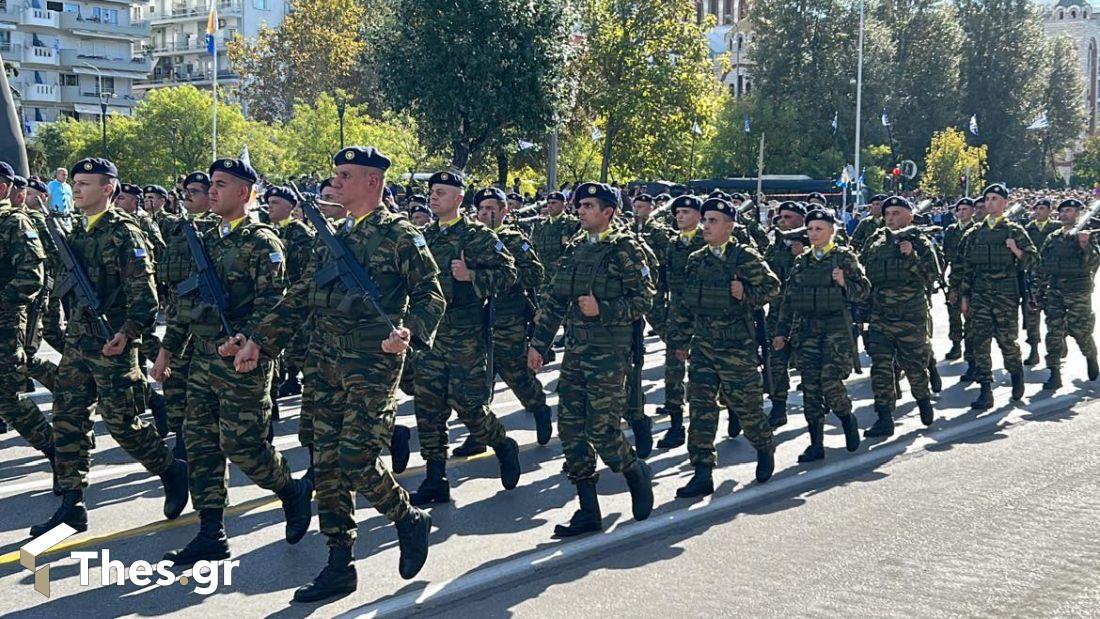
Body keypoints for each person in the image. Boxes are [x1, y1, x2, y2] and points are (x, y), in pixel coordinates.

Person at [233, 147, 441, 600]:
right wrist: (259, 341)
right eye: (336, 176)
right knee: (324, 464)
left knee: (356, 461)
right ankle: (339, 562)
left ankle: (408, 518)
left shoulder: (400, 235)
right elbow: (300, 295)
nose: (336, 183)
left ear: (372, 182)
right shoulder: (331, 236)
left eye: (345, 176)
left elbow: (430, 293)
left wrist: (410, 331)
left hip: (372, 363)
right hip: (324, 364)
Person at [153, 158, 312, 566]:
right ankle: (211, 532)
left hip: (246, 361)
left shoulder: (263, 242)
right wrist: (168, 350)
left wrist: (251, 339)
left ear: (243, 193)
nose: (212, 191)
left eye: (221, 185)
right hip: (204, 359)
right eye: (211, 184)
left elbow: (274, 304)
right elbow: (186, 305)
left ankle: (290, 491)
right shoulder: (204, 238)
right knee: (202, 447)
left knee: (243, 446)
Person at [31, 157, 188, 539]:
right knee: (68, 420)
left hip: (113, 345)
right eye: (77, 183)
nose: (77, 189)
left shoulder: (124, 234)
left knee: (124, 427)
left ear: (108, 190)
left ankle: (170, 469)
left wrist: (128, 333)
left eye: (86, 184)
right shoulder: (79, 232)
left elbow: (146, 298)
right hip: (78, 343)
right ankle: (72, 503)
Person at [527, 181, 656, 538]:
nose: (580, 211)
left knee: (602, 430)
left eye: (587, 206)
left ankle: (633, 469)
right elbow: (554, 299)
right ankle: (588, 510)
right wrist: (538, 344)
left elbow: (645, 298)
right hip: (576, 354)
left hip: (610, 355)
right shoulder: (575, 249)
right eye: (579, 206)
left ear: (607, 212)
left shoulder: (626, 250)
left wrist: (605, 309)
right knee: (570, 430)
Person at [407, 170, 522, 506]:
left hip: (465, 337)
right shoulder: (420, 237)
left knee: (469, 406)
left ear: (458, 199)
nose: (433, 197)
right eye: (432, 192)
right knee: (428, 408)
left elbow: (509, 273)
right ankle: (435, 478)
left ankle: (502, 443)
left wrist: (472, 275)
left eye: (441, 192)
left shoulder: (477, 236)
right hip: (430, 336)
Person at [667, 197, 780, 497]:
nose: (705, 225)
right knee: (701, 409)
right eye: (704, 220)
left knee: (747, 407)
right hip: (703, 346)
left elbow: (772, 287)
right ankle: (702, 471)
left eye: (713, 221)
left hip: (736, 348)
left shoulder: (744, 257)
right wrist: (679, 340)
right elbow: (684, 304)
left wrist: (746, 293)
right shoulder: (696, 260)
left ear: (729, 226)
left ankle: (765, 446)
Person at [773, 208, 869, 462]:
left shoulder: (843, 258)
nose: (813, 234)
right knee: (811, 389)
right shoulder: (802, 262)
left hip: (836, 330)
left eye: (819, 229)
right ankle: (816, 443)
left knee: (830, 382)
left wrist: (844, 283)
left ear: (831, 232)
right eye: (810, 229)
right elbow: (789, 300)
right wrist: (782, 332)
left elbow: (864, 291)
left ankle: (846, 418)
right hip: (807, 332)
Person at [859, 196, 941, 436]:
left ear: (909, 216)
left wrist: (912, 257)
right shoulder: (875, 241)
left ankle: (923, 401)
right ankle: (884, 417)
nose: (891, 218)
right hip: (880, 316)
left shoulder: (920, 241)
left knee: (915, 367)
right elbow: (863, 271)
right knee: (881, 368)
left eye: (897, 213)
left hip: (910, 316)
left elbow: (932, 274)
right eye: (888, 214)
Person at [956, 184, 1038, 409]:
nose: (990, 203)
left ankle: (1016, 374)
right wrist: (964, 296)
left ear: (1005, 203)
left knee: (1006, 341)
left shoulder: (1014, 231)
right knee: (980, 342)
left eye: (995, 199)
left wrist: (1016, 250)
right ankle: (985, 391)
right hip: (980, 295)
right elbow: (966, 267)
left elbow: (1034, 261)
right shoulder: (973, 234)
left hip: (1005, 295)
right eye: (987, 199)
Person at [654, 195, 707, 450]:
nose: (680, 216)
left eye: (686, 212)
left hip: (705, 316)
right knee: (673, 371)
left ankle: (725, 411)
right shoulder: (672, 243)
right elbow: (664, 279)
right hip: (677, 315)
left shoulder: (707, 241)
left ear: (699, 216)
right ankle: (676, 426)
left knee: (705, 373)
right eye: (678, 213)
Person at [1035, 198, 1099, 390]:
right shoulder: (1053, 237)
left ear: (1078, 213)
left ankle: (1091, 357)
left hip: (1078, 291)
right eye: (1062, 211)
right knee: (1054, 332)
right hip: (1055, 291)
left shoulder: (1086, 236)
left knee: (1081, 330)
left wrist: (1085, 246)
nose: (1064, 215)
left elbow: (1094, 261)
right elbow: (1041, 264)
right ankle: (1054, 372)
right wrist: (1038, 290)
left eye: (1069, 211)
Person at [763, 201, 806, 427]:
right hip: (778, 314)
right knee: (776, 363)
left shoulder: (818, 241)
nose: (783, 221)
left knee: (810, 366)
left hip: (806, 315)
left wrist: (805, 254)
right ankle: (779, 407)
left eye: (788, 217)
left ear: (801, 220)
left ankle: (821, 403)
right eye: (781, 217)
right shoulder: (776, 244)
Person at [1022, 198, 1058, 366]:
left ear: (1049, 211)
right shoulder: (1027, 229)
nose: (1038, 211)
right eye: (1036, 208)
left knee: (1054, 316)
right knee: (1031, 315)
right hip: (1033, 278)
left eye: (1042, 208)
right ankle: (1034, 350)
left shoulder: (1056, 228)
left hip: (1052, 278)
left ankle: (1059, 344)